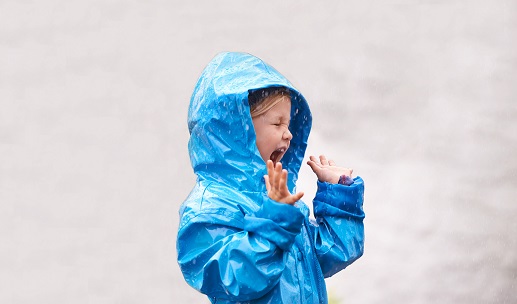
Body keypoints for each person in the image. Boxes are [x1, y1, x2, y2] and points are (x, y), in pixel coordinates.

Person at [177, 52, 365, 303]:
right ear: (236, 130)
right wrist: (275, 218)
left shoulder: (282, 201)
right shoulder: (209, 207)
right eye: (277, 124)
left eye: (289, 125)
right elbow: (238, 279)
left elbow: (329, 255)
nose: (288, 134)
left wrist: (339, 198)